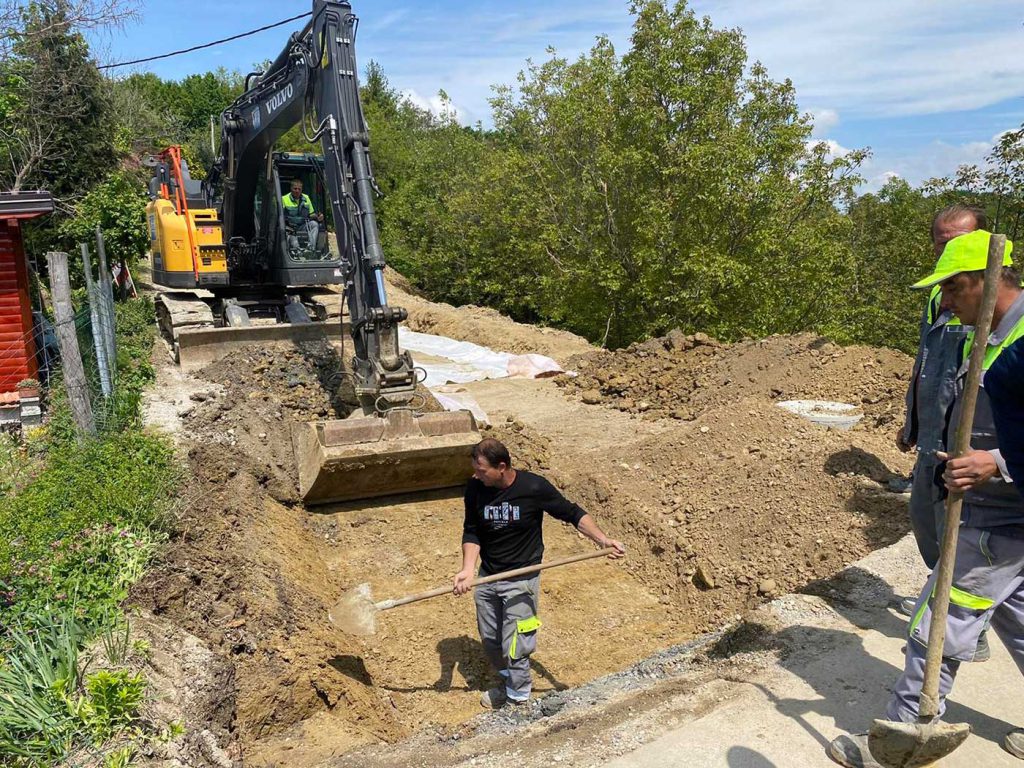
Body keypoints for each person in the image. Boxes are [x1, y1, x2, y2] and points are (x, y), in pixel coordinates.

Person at [829, 229, 1024, 766]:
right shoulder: (985, 332)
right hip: (1004, 514)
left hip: (1000, 517)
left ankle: (901, 740)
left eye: (952, 291)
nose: (944, 303)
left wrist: (996, 464)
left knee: (935, 626)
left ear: (982, 283)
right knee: (1019, 621)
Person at [453, 438, 625, 709]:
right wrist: (467, 569)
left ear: (501, 467)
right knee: (491, 640)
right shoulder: (475, 488)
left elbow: (572, 513)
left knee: (516, 645)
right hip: (488, 577)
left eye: (481, 469)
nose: (476, 474)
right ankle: (508, 679)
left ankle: (518, 700)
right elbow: (472, 529)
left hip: (522, 579)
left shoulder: (533, 487)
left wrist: (602, 540)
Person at [896, 206, 982, 588]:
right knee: (924, 518)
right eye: (943, 242)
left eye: (962, 242)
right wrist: (912, 421)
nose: (951, 249)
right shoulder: (937, 296)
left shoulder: (989, 303)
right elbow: (926, 363)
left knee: (959, 531)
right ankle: (942, 593)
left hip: (965, 444)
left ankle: (962, 624)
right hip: (932, 437)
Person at [281, 178, 323, 254]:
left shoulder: (306, 198)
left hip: (302, 226)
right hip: (290, 228)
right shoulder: (284, 199)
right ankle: (297, 252)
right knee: (294, 241)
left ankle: (310, 249)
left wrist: (318, 217)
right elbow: (281, 217)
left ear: (301, 189)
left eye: (299, 189)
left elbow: (311, 214)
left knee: (314, 224)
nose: (297, 191)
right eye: (295, 189)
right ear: (291, 189)